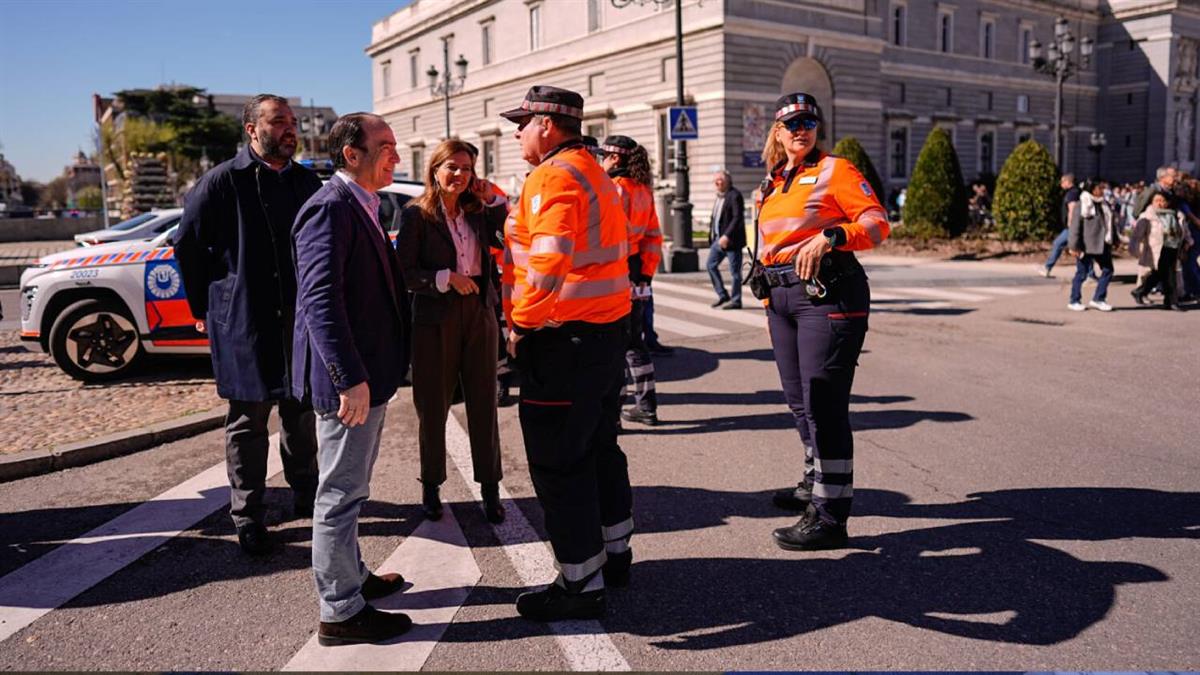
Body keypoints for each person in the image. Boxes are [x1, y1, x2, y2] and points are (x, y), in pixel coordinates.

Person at [499, 85, 634, 621]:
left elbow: (549, 262)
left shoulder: (551, 175)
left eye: (523, 123)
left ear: (548, 126)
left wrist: (520, 326)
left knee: (559, 463)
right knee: (600, 448)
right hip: (602, 335)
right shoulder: (592, 170)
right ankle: (614, 555)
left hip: (563, 340)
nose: (516, 133)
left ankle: (580, 584)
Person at [174, 94, 321, 555]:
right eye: (279, 122)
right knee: (248, 424)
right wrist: (206, 308)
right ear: (251, 129)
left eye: (293, 122)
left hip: (297, 322)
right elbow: (188, 249)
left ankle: (307, 496)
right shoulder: (220, 183)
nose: (290, 130)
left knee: (301, 417)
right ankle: (248, 515)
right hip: (244, 323)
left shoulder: (306, 181)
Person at [292, 112, 412, 645]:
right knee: (339, 494)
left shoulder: (362, 204)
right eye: (385, 146)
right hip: (350, 384)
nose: (396, 155)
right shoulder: (329, 208)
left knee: (352, 489)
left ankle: (352, 577)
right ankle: (340, 611)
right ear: (351, 154)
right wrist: (348, 378)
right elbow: (320, 301)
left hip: (367, 377)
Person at [755, 92, 891, 551]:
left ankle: (831, 514)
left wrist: (834, 235)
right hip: (783, 300)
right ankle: (813, 483)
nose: (800, 129)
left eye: (808, 121)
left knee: (823, 403)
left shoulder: (838, 169)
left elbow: (876, 223)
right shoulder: (775, 182)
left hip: (828, 294)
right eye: (791, 123)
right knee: (798, 401)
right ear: (777, 132)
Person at [397, 139, 506, 524]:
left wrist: (491, 197)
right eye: (452, 167)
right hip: (435, 318)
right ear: (435, 170)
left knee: (484, 403)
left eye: (467, 168)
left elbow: (510, 231)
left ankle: (491, 489)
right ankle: (431, 486)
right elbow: (404, 273)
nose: (459, 175)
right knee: (432, 406)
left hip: (479, 312)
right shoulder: (416, 215)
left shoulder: (479, 212)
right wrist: (445, 278)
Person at [600, 135, 663, 427]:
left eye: (603, 156)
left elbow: (605, 236)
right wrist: (645, 275)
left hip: (614, 272)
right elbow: (653, 236)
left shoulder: (611, 189)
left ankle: (612, 416)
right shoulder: (642, 190)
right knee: (635, 344)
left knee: (612, 349)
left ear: (614, 158)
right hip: (638, 272)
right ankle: (647, 405)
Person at [1131, 191, 1194, 310]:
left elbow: (1184, 230)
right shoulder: (1147, 216)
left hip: (1173, 247)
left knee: (1162, 274)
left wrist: (1188, 241)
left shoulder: (1176, 214)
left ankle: (1141, 292)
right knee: (1169, 275)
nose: (1160, 203)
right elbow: (1137, 235)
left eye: (1163, 201)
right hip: (1156, 249)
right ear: (1151, 202)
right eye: (1157, 200)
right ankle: (1171, 301)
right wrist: (1134, 249)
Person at [1066, 179, 1116, 312]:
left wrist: (1114, 240)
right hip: (1086, 245)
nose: (1102, 191)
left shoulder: (1103, 204)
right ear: (1092, 189)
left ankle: (1098, 299)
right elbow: (1075, 227)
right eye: (1100, 188)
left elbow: (1109, 224)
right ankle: (1074, 300)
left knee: (1108, 270)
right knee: (1081, 273)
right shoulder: (1082, 204)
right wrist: (1074, 246)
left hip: (1102, 244)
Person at [706, 168, 746, 309]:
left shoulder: (734, 195)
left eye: (721, 180)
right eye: (716, 180)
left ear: (728, 181)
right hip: (718, 240)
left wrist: (727, 236)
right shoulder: (719, 196)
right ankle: (723, 295)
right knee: (710, 265)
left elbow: (737, 218)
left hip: (731, 241)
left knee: (735, 273)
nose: (718, 182)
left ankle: (736, 300)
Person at [1039, 174, 1080, 277]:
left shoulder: (1072, 194)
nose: (1061, 184)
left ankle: (1047, 267)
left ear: (1068, 182)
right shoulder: (1075, 192)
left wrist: (1071, 226)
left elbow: (1072, 209)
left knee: (1060, 244)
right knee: (1077, 249)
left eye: (1063, 181)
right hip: (1073, 227)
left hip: (1071, 227)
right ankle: (1090, 274)